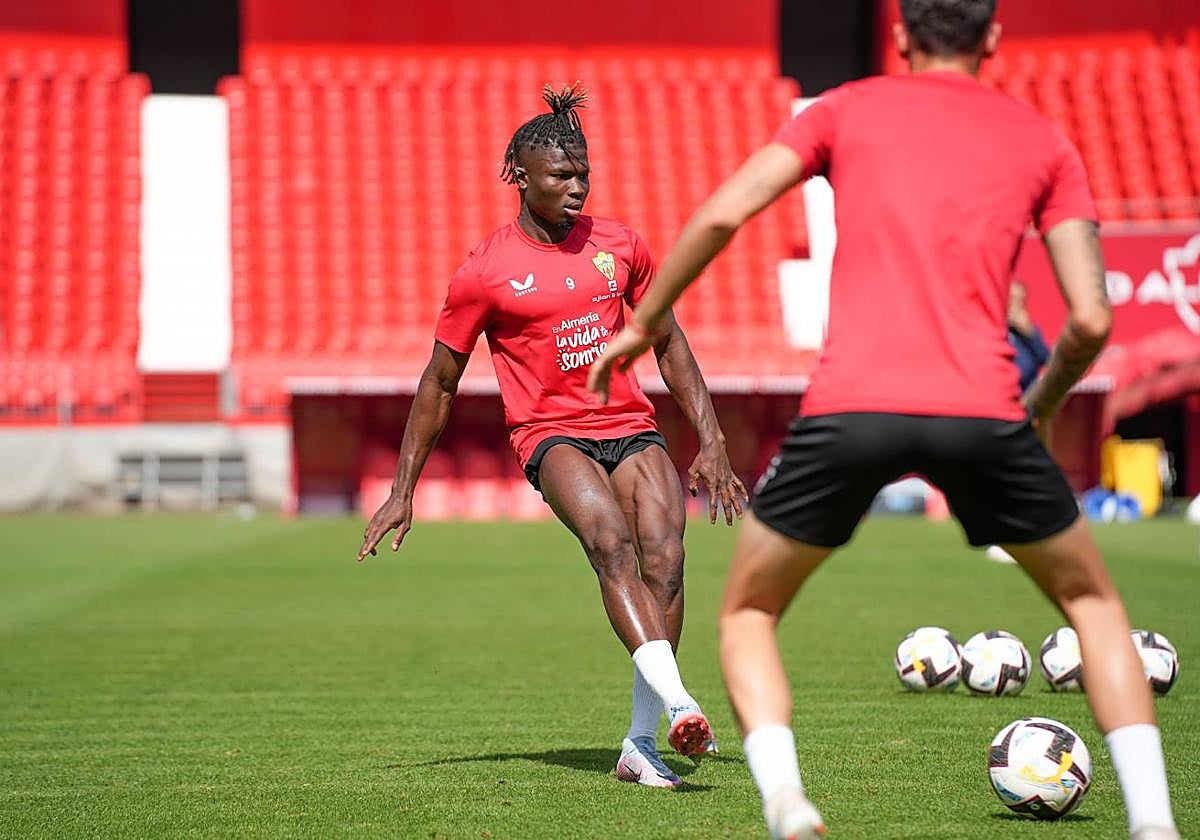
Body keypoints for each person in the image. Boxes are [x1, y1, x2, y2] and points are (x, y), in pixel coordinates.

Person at [588, 1, 1177, 837]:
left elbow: (723, 212)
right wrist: (1041, 405)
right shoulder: (1042, 138)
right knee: (1094, 607)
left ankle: (787, 802)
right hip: (984, 411)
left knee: (751, 613)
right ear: (993, 37)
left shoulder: (845, 109)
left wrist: (644, 322)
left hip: (850, 408)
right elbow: (1089, 319)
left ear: (899, 35)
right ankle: (1154, 824)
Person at [357, 84, 748, 788]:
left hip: (630, 424)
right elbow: (439, 382)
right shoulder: (484, 272)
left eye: (583, 175)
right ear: (521, 176)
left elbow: (667, 341)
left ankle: (640, 745)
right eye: (561, 176)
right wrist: (402, 489)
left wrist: (712, 438)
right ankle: (682, 704)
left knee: (666, 559)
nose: (576, 189)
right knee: (611, 545)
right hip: (550, 434)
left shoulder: (620, 245)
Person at [987, 278, 1053, 563]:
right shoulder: (991, 330)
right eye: (1009, 298)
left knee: (1026, 479)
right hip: (994, 415)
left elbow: (1048, 361)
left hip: (1024, 416)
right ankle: (1001, 535)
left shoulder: (1027, 334)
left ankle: (1029, 536)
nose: (1013, 304)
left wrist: (1028, 330)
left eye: (1018, 299)